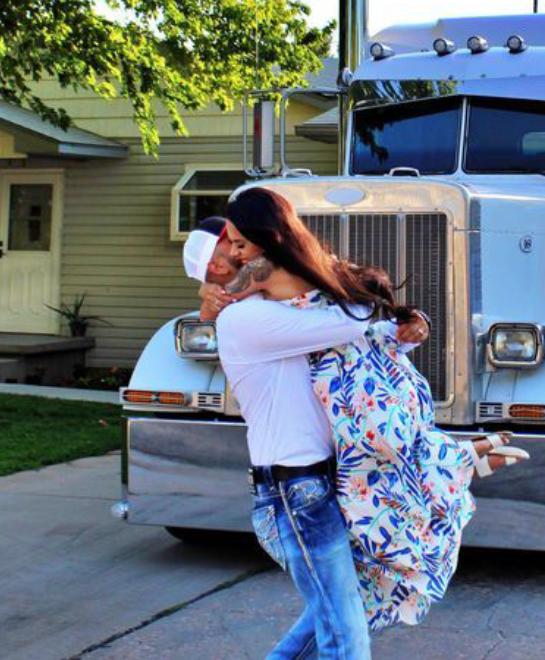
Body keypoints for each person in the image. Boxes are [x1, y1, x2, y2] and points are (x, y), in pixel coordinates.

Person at [198, 187, 524, 659]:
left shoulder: (293, 314)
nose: (231, 259)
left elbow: (363, 337)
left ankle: (457, 457)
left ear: (272, 247)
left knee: (330, 620)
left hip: (324, 484)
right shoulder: (247, 321)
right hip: (292, 496)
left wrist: (411, 327)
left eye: (240, 246)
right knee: (346, 637)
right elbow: (354, 322)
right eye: (229, 249)